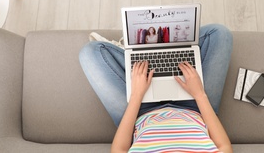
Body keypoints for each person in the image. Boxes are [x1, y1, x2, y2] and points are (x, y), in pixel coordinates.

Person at [79, 24, 233, 153]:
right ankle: (161, 53)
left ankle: (139, 55)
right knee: (219, 34)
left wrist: (137, 95)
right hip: (196, 107)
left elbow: (119, 150)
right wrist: (199, 94)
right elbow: (224, 147)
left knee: (90, 52)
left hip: (139, 111)